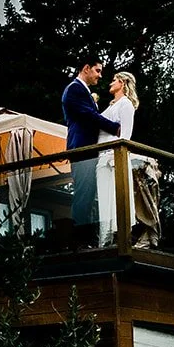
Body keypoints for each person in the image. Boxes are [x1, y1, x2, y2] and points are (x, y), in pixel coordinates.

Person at [61, 56, 120, 237]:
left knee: (88, 194)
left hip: (87, 149)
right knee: (84, 194)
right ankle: (79, 240)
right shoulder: (74, 89)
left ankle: (85, 237)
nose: (100, 75)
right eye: (98, 70)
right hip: (81, 148)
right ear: (86, 68)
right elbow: (88, 115)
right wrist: (114, 127)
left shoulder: (81, 90)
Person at [96, 71, 138, 245]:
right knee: (104, 201)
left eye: (114, 80)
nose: (110, 83)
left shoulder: (126, 104)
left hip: (113, 158)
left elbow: (126, 134)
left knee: (113, 199)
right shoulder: (112, 106)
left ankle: (114, 238)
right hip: (103, 157)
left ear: (123, 82)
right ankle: (104, 238)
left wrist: (115, 158)